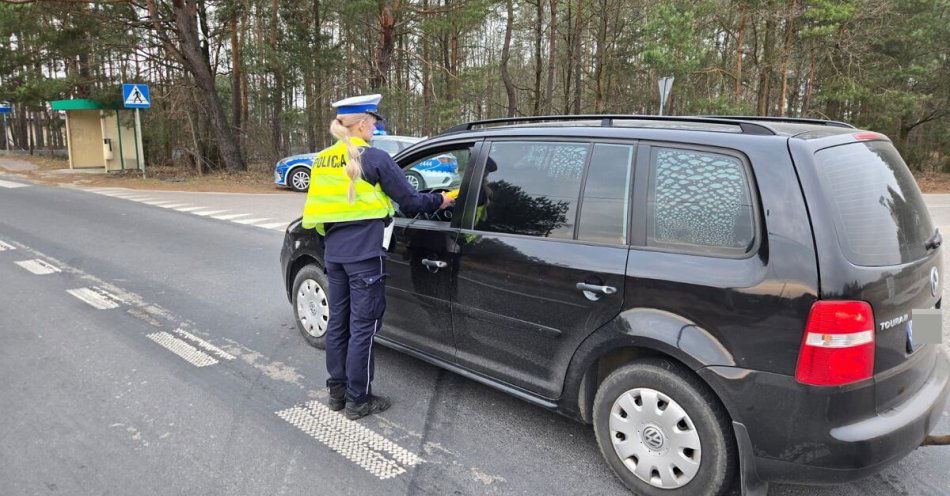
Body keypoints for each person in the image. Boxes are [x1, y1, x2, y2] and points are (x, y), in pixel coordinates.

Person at [301, 94, 453, 420]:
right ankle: (359, 400)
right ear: (364, 123)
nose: (377, 127)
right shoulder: (376, 159)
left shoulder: (322, 159)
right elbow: (410, 202)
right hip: (366, 256)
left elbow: (323, 210)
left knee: (339, 324)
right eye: (374, 122)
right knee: (363, 328)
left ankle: (338, 393)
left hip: (335, 255)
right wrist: (442, 199)